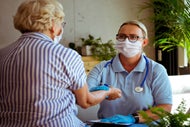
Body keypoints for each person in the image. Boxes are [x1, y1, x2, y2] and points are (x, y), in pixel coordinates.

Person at [0, 0, 122, 127]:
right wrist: (108, 91)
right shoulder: (66, 55)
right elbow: (86, 101)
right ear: (53, 24)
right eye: (61, 23)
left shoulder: (2, 54)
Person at [87, 20, 173, 126]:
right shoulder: (102, 68)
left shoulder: (156, 70)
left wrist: (134, 118)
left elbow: (165, 107)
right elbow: (86, 96)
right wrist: (103, 92)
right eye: (122, 36)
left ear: (144, 42)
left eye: (133, 37)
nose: (126, 41)